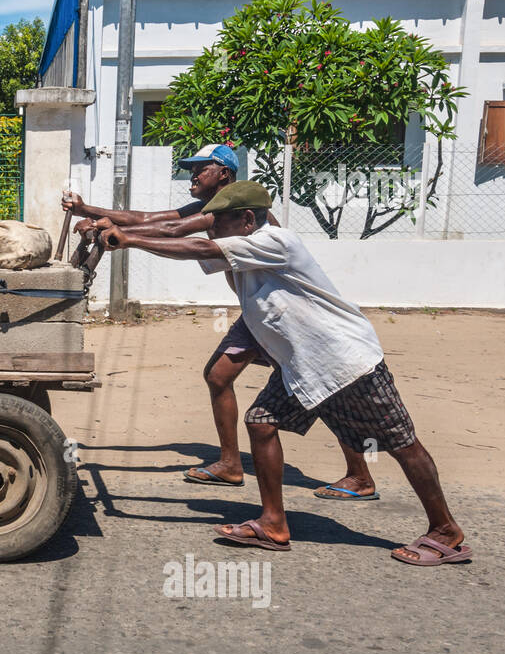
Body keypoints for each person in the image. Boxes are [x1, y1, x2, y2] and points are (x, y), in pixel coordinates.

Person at [96, 181, 470, 566]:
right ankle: (274, 523)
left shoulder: (276, 241)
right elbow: (183, 236)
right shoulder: (240, 246)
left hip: (344, 361)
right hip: (303, 367)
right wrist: (118, 231)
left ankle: (445, 531)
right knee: (261, 422)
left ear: (245, 219)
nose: (211, 229)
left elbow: (198, 246)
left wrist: (127, 240)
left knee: (401, 444)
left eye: (217, 221)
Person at [65, 144, 376, 499]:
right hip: (259, 314)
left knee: (322, 388)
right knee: (219, 375)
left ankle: (360, 475)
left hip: (285, 315)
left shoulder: (232, 211)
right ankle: (230, 464)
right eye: (191, 168)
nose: (193, 175)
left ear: (224, 174)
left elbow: (168, 230)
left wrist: (121, 234)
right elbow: (153, 219)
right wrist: (90, 211)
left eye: (201, 168)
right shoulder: (213, 208)